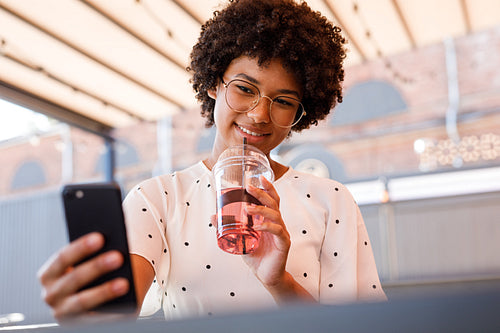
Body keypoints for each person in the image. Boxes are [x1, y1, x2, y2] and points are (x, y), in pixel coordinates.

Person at [38, 0, 387, 323]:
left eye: (282, 101)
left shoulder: (330, 198)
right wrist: (89, 303)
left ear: (302, 111)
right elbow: (119, 304)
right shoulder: (158, 198)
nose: (260, 114)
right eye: (245, 88)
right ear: (213, 84)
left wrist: (280, 283)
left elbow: (358, 327)